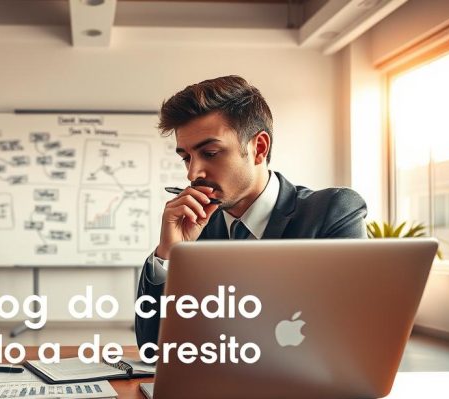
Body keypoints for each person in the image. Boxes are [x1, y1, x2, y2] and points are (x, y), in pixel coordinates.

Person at [135, 75, 368, 348]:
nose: (192, 172)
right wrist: (170, 255)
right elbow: (153, 349)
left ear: (259, 148)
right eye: (186, 157)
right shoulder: (196, 231)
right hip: (213, 387)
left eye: (209, 153)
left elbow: (352, 336)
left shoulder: (333, 212)